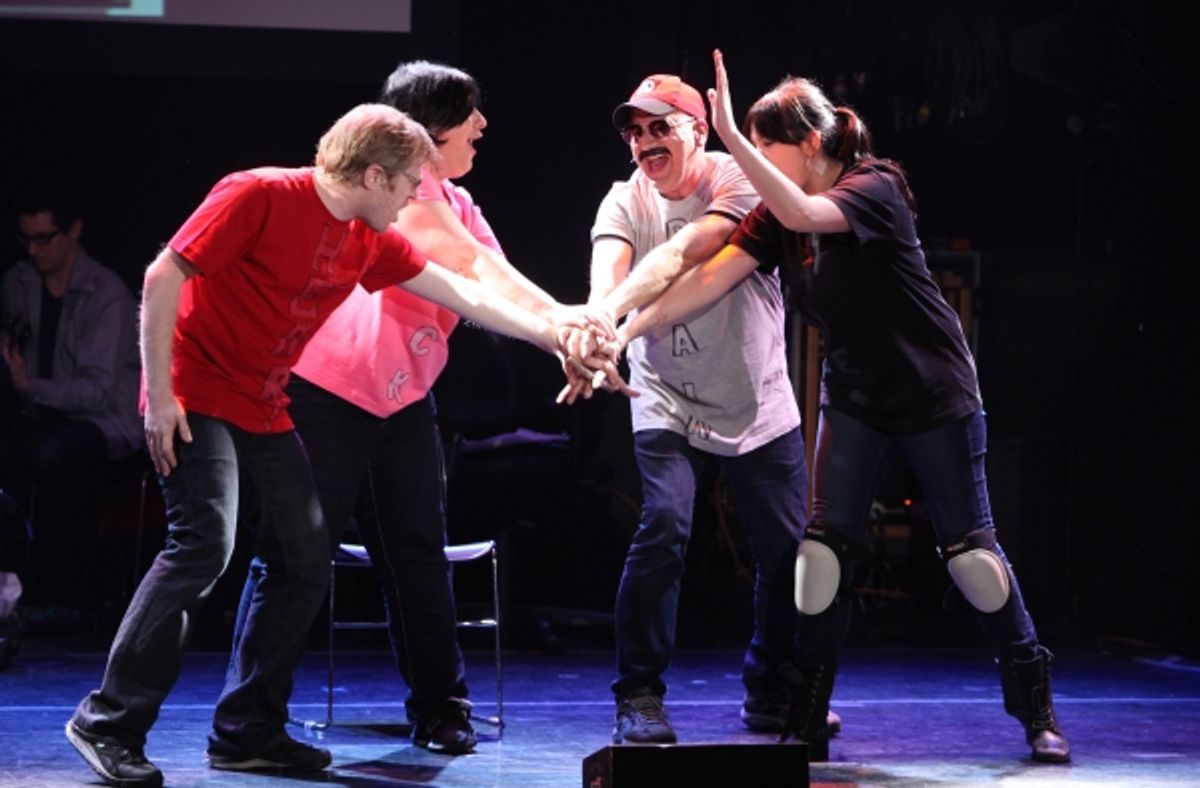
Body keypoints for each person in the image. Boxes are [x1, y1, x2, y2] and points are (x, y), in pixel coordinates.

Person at [65, 102, 578, 788]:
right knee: (204, 545)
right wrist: (159, 396)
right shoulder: (261, 193)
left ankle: (247, 729)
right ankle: (109, 722)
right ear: (373, 175)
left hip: (263, 402)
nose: (409, 205)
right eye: (405, 188)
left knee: (304, 557)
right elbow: (166, 274)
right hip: (198, 393)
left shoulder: (365, 237)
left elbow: (459, 289)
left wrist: (559, 336)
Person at [613, 48, 1071, 763]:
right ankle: (807, 706)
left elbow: (803, 209)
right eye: (751, 148)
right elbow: (708, 280)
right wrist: (623, 329)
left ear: (812, 143)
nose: (757, 163)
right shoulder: (775, 217)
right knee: (820, 555)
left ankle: (1034, 702)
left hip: (934, 395)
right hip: (854, 398)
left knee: (970, 557)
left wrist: (730, 136)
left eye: (768, 148)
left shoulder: (874, 186)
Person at [282, 61, 598, 755]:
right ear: (428, 134)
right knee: (296, 558)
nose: (482, 125)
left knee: (418, 553)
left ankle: (440, 707)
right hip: (328, 397)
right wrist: (567, 329)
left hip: (401, 404)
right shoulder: (402, 198)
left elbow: (500, 285)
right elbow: (471, 269)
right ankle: (248, 718)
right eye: (470, 113)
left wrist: (566, 330)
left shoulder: (457, 202)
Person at [572, 73, 833, 747]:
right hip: (662, 394)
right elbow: (610, 273)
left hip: (756, 401)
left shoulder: (738, 181)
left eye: (660, 126)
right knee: (662, 526)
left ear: (697, 127)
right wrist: (599, 324)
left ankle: (771, 689)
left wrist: (613, 323)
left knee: (786, 555)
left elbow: (689, 255)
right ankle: (638, 695)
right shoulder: (621, 199)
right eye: (634, 131)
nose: (644, 141)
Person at [0, 180, 141, 617]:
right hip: (48, 413)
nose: (33, 250)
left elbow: (98, 392)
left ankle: (64, 595)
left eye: (43, 239)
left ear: (73, 231)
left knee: (59, 456)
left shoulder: (107, 294)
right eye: (26, 239)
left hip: (109, 421)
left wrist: (29, 387)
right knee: (12, 449)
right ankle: (13, 585)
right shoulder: (19, 283)